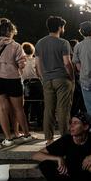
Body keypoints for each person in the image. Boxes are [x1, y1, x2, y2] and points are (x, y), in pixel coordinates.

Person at [35, 16, 75, 145]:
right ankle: (65, 137)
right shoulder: (63, 43)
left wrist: (43, 78)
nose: (63, 29)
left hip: (47, 80)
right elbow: (67, 63)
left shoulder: (40, 43)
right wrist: (72, 77)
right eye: (63, 26)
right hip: (62, 79)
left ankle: (49, 138)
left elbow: (37, 64)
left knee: (49, 109)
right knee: (63, 109)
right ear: (59, 27)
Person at [0, 19, 33, 147]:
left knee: (2, 108)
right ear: (10, 32)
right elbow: (22, 64)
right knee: (18, 108)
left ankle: (8, 138)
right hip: (13, 79)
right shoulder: (16, 46)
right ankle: (26, 135)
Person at [21, 42, 44, 128]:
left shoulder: (21, 61)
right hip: (36, 83)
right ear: (32, 51)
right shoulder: (35, 60)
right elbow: (39, 73)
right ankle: (40, 122)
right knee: (38, 103)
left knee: (26, 105)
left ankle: (25, 123)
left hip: (25, 83)